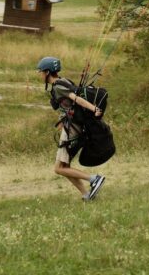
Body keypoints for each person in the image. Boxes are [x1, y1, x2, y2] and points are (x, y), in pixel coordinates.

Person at [36, 56, 106, 202]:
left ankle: (94, 179)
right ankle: (86, 194)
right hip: (70, 126)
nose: (39, 74)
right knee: (64, 166)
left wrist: (94, 108)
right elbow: (68, 105)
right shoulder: (64, 81)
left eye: (41, 71)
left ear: (47, 72)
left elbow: (75, 98)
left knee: (59, 168)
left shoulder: (59, 86)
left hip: (71, 129)